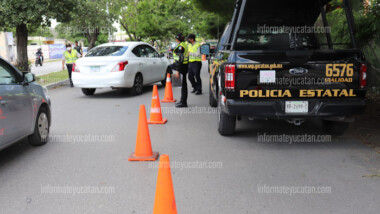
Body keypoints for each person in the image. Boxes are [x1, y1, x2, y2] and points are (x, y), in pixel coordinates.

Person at [171, 33, 189, 108]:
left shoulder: (181, 47)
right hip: (184, 66)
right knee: (183, 85)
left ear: (177, 39)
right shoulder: (184, 44)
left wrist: (178, 71)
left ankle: (183, 102)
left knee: (183, 85)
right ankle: (182, 101)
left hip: (181, 67)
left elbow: (180, 59)